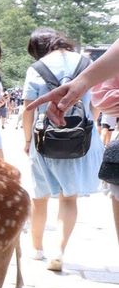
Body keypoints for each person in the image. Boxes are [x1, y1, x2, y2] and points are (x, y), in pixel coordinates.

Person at [21, 27, 104, 272]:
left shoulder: (37, 68)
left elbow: (29, 109)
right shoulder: (87, 64)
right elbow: (95, 106)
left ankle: (36, 249)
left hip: (44, 139)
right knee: (68, 198)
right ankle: (58, 250)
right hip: (79, 140)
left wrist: (27, 140)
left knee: (40, 195)